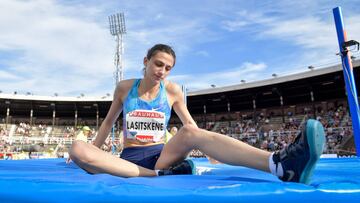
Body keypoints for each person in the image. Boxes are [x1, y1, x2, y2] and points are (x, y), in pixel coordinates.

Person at [69, 44, 325, 184]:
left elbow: (191, 127)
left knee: (190, 131)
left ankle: (278, 164)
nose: (162, 71)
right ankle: (157, 177)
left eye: (168, 68)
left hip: (162, 155)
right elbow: (108, 123)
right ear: (146, 61)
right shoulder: (125, 88)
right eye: (158, 64)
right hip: (129, 158)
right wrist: (95, 150)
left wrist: (213, 152)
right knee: (78, 149)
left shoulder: (172, 91)